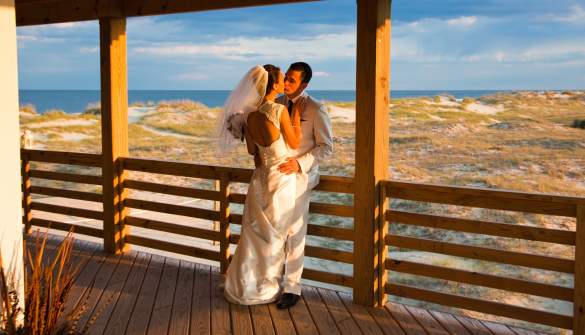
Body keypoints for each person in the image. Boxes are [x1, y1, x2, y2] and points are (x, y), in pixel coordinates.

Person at [220, 64, 303, 305]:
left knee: (255, 233)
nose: (283, 83)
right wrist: (296, 118)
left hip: (260, 178)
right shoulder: (278, 110)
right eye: (280, 79)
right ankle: (265, 288)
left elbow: (252, 151)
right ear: (273, 85)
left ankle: (243, 284)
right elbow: (295, 142)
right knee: (276, 235)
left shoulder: (249, 115)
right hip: (281, 177)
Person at [272, 62, 333, 308]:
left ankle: (292, 289)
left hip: (300, 179)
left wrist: (299, 164)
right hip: (276, 178)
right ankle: (271, 282)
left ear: (304, 85)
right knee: (274, 230)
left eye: (292, 81)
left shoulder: (316, 109)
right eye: (285, 78)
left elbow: (326, 147)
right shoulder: (276, 104)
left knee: (295, 233)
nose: (286, 83)